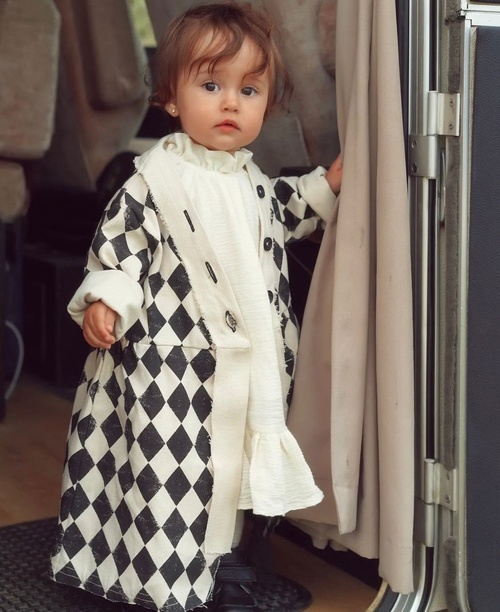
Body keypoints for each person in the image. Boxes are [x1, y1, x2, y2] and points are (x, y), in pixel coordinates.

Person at [49, 2, 343, 611]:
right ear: (171, 99)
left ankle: (225, 563)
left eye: (249, 90)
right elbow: (121, 249)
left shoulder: (252, 182)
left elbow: (285, 212)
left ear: (267, 103)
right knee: (169, 474)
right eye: (211, 86)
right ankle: (160, 575)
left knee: (231, 468)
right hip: (171, 367)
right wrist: (106, 298)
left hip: (242, 367)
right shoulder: (153, 181)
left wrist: (326, 185)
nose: (230, 102)